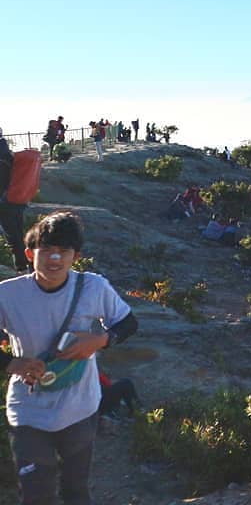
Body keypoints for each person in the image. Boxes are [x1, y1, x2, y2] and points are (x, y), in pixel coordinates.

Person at [0, 210, 138, 505]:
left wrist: (101, 339)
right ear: (29, 253)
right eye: (46, 250)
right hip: (28, 411)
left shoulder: (93, 287)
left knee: (76, 491)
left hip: (79, 409)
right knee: (37, 495)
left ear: (75, 256)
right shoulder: (7, 296)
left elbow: (128, 323)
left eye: (63, 252)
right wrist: (13, 363)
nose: (54, 259)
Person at [0, 129, 31, 271]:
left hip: (5, 203)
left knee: (13, 238)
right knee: (18, 235)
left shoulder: (2, 155)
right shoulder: (5, 152)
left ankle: (22, 268)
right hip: (15, 200)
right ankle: (27, 266)